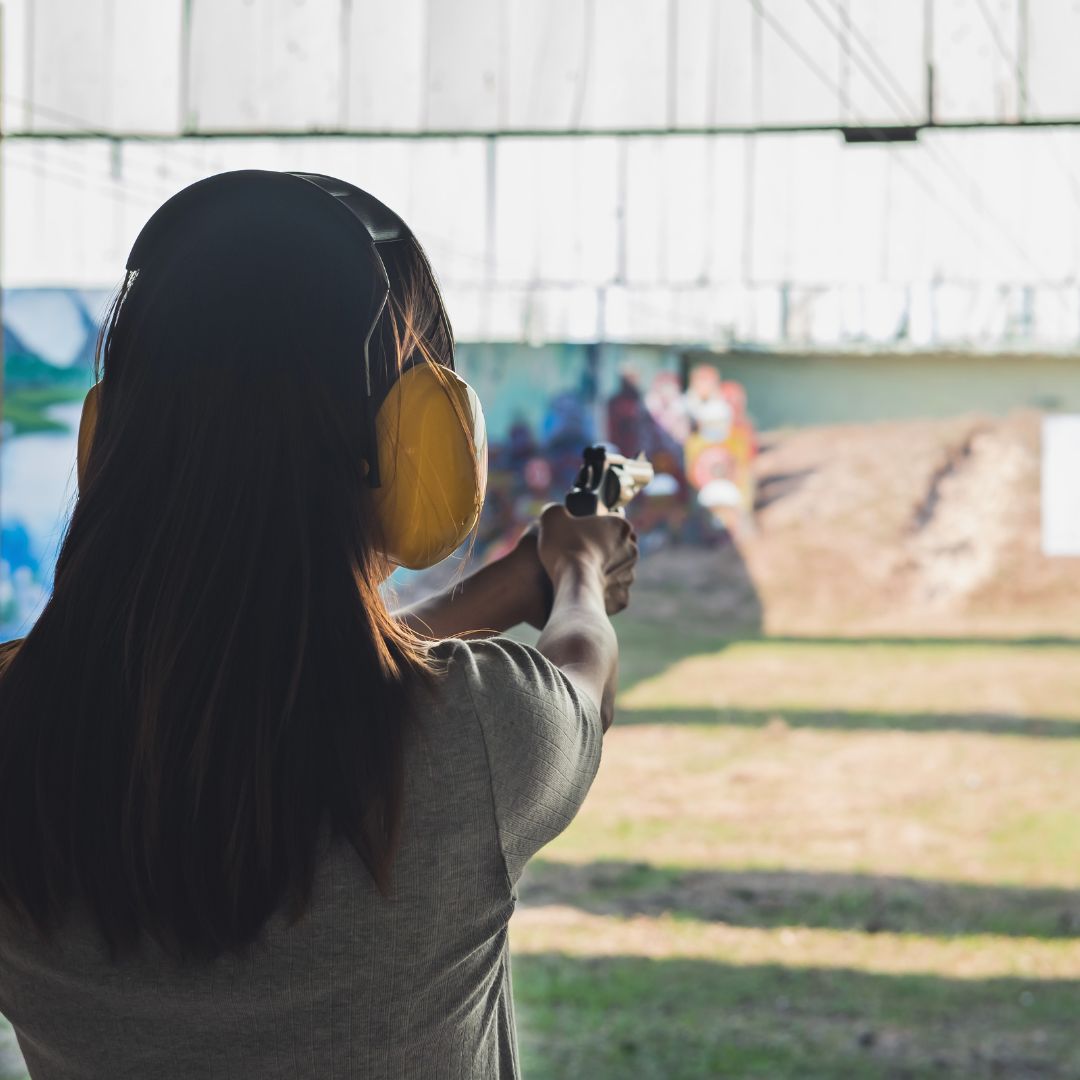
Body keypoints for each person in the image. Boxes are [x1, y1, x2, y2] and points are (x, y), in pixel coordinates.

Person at [0, 171, 637, 1079]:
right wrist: (573, 566)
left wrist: (507, 584)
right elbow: (581, 671)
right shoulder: (480, 736)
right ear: (412, 445)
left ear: (107, 444)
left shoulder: (18, 732)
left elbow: (252, 683)